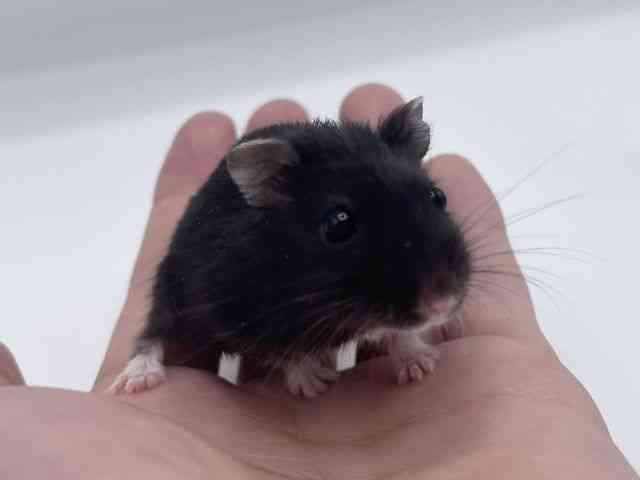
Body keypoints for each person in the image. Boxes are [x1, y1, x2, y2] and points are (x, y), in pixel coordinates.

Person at [1, 83, 637, 479]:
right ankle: (148, 349)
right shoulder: (247, 265)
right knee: (175, 302)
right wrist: (292, 360)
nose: (435, 287)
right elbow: (231, 312)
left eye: (434, 201)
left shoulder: (403, 257)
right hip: (223, 286)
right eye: (340, 226)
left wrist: (406, 341)